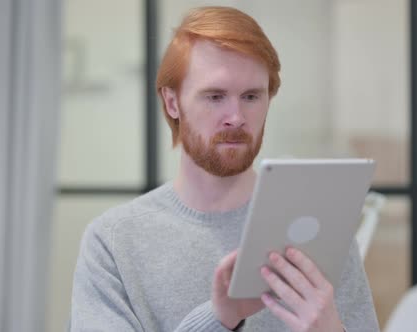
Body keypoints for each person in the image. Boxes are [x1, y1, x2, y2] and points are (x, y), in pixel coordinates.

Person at [70, 6, 379, 332]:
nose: (236, 116)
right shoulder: (113, 243)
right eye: (215, 96)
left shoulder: (322, 232)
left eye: (251, 96)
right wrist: (217, 320)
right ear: (172, 103)